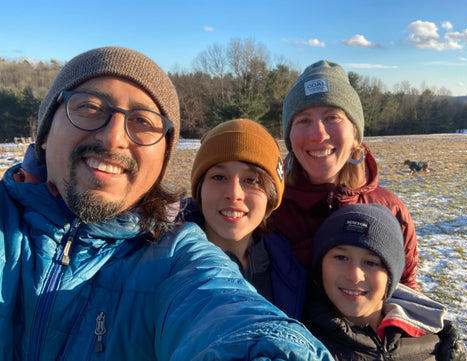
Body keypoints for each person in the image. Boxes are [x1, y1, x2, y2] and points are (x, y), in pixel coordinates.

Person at [0, 46, 334, 361]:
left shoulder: (176, 255)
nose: (113, 137)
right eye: (89, 107)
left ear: (161, 161)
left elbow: (227, 311)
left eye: (143, 122)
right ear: (43, 131)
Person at [271, 60, 419, 291]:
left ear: (355, 135)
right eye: (303, 120)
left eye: (333, 117)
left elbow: (406, 289)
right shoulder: (270, 210)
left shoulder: (392, 212)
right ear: (290, 138)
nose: (318, 134)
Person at [303, 203, 467, 361]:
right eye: (341, 257)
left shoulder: (435, 341)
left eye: (371, 262)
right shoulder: (301, 345)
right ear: (320, 265)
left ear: (391, 276)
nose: (354, 276)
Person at [179, 118, 307, 319]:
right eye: (219, 177)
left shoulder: (290, 270)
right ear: (199, 188)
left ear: (271, 197)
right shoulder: (165, 261)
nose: (234, 193)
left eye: (252, 180)